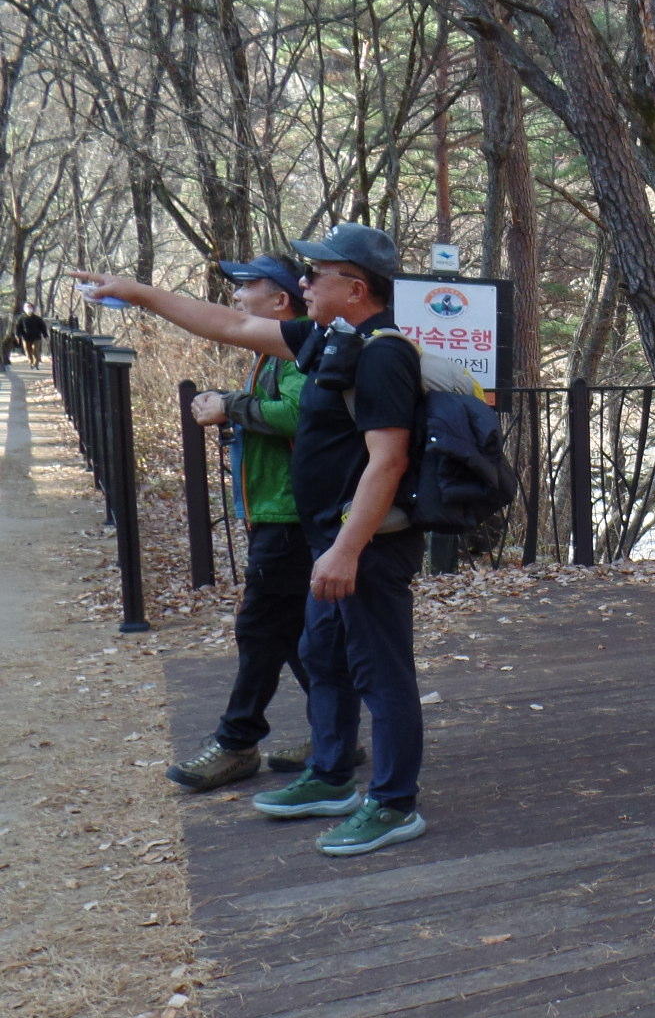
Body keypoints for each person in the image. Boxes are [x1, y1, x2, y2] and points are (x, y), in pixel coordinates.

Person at [73, 223, 429, 857]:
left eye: (316, 273)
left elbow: (388, 461)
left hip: (365, 544)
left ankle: (395, 804)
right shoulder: (329, 337)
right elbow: (231, 324)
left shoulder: (383, 354)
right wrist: (138, 292)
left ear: (355, 287)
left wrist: (347, 548)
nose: (304, 281)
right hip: (328, 539)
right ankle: (330, 777)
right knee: (324, 657)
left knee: (381, 671)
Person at [169, 256, 358, 790]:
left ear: (280, 301)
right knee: (294, 632)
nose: (236, 295)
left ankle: (237, 742)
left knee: (260, 628)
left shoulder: (297, 353)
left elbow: (301, 415)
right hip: (279, 513)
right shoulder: (273, 354)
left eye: (247, 285)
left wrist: (231, 406)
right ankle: (335, 735)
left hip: (290, 516)